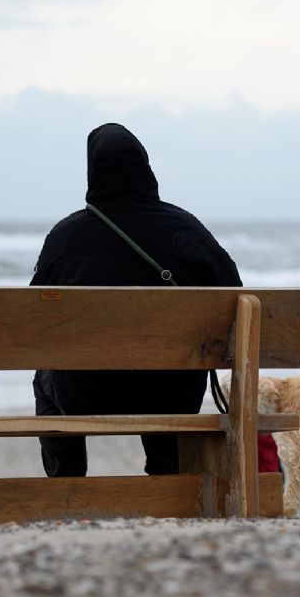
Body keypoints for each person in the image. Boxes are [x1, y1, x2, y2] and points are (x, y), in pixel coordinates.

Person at [30, 122, 246, 477]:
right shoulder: (188, 230)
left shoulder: (67, 236)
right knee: (165, 379)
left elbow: (34, 320)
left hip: (85, 395)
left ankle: (66, 485)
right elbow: (233, 295)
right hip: (173, 396)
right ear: (145, 168)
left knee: (45, 378)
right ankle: (167, 476)